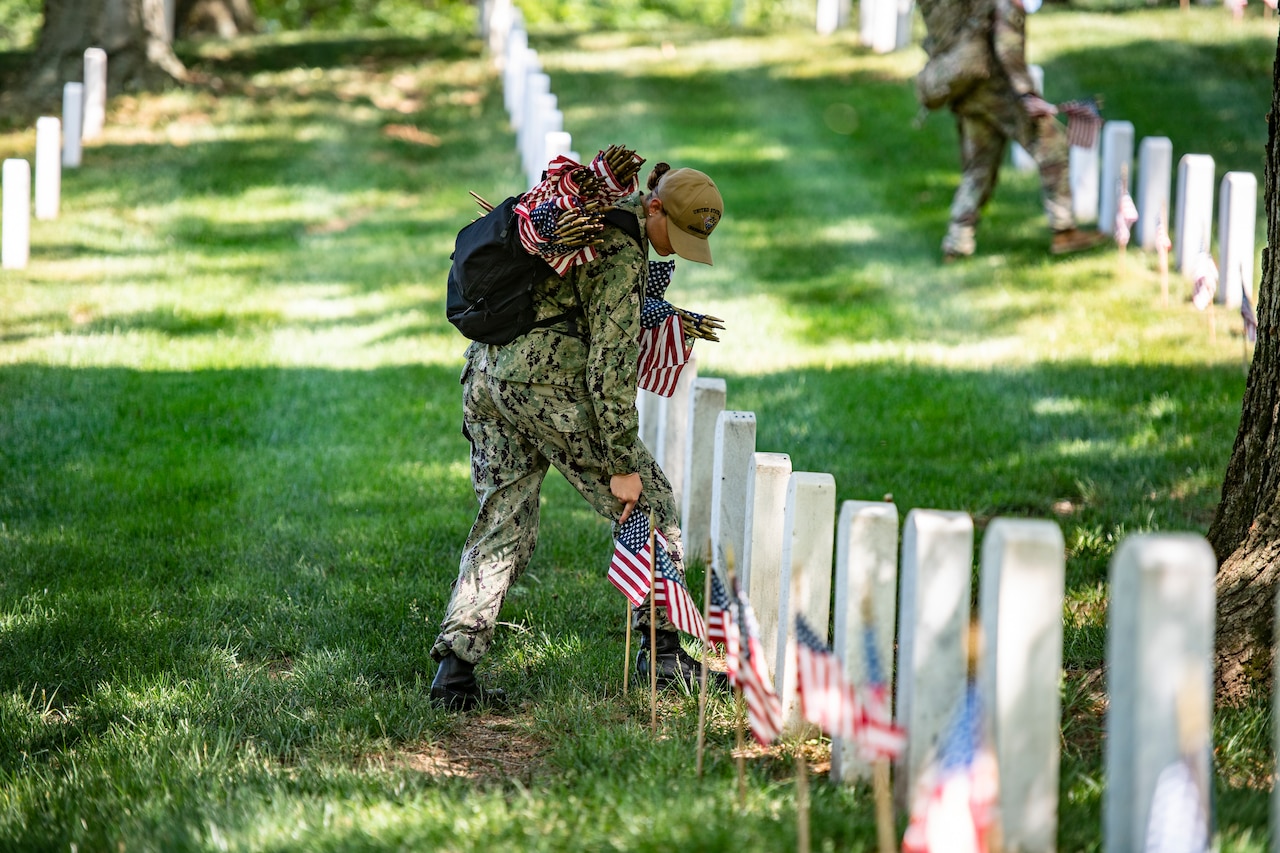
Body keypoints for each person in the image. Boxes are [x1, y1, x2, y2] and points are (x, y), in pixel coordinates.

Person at [430, 161, 726, 711]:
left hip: (490, 377)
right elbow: (609, 369)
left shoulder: (597, 218)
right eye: (674, 234)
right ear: (654, 205)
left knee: (504, 519)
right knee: (653, 503)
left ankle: (454, 673)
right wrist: (620, 462)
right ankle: (662, 658)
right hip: (546, 383)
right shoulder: (618, 250)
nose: (673, 249)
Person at [915, 0, 1108, 260]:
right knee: (1051, 147)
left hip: (967, 87)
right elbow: (1007, 46)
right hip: (999, 89)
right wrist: (1028, 95)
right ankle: (1064, 230)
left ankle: (957, 242)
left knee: (978, 168)